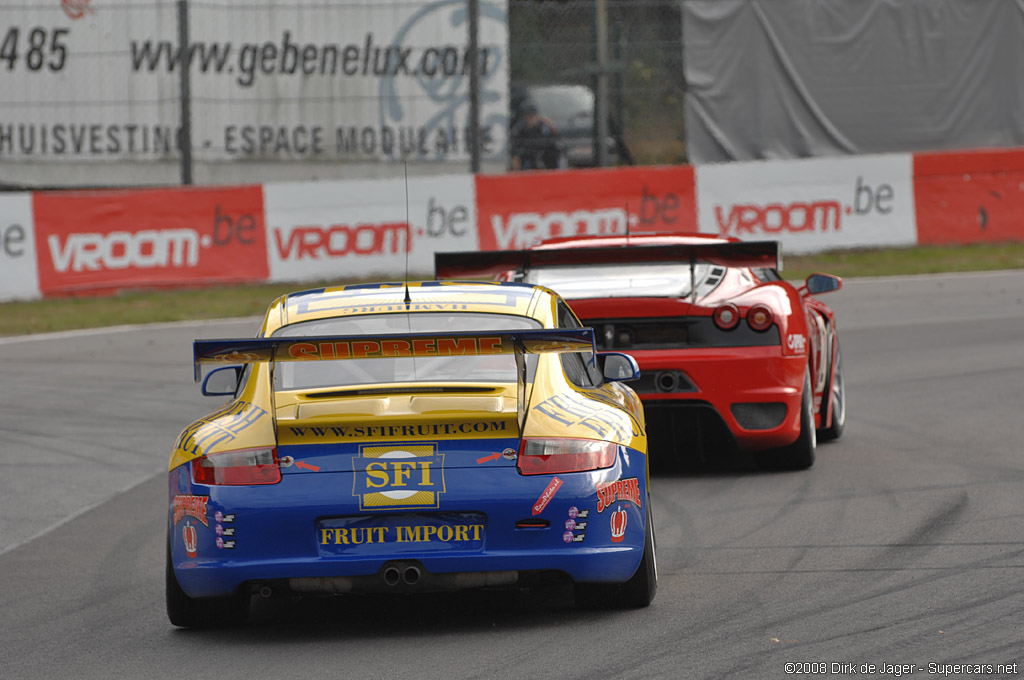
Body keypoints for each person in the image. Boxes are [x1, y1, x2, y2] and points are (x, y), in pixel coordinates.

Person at [510, 102, 562, 170]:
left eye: (533, 116)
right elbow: (514, 145)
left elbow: (556, 141)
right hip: (528, 159)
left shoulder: (545, 127)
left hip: (545, 158)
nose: (531, 119)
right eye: (528, 117)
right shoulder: (519, 129)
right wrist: (516, 157)